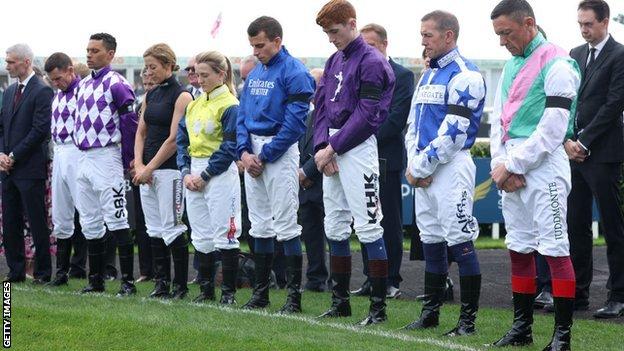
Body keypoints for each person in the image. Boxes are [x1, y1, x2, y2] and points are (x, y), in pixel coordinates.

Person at [489, 0, 580, 349]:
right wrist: (502, 165)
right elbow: (500, 121)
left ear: (529, 23)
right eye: (498, 35)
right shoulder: (511, 64)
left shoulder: (558, 61)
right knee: (519, 248)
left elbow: (554, 127)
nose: (502, 41)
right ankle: (521, 328)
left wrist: (513, 165)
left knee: (555, 249)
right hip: (511, 166)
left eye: (506, 33)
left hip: (544, 167)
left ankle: (562, 337)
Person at [403, 11, 485, 337]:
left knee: (459, 239)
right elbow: (413, 124)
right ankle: (431, 314)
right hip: (423, 170)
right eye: (421, 34)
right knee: (432, 240)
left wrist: (419, 168)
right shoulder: (427, 75)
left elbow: (454, 133)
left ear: (448, 36)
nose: (423, 41)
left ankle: (467, 322)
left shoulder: (466, 75)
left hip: (451, 169)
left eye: (428, 35)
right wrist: (413, 165)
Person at [313, 0, 395, 326]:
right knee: (334, 225)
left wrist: (332, 146)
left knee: (369, 226)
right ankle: (340, 302)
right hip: (332, 148)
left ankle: (378, 309)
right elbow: (320, 107)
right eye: (326, 33)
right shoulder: (334, 59)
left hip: (358, 147)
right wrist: (322, 146)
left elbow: (369, 115)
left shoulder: (373, 62)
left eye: (334, 31)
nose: (331, 38)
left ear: (351, 23)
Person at [237, 16, 314, 313]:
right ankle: (261, 293)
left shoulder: (295, 72)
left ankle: (293, 297)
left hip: (279, 152)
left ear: (277, 41)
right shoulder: (255, 73)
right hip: (253, 151)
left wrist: (265, 156)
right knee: (259, 225)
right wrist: (244, 153)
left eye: (261, 45)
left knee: (286, 224)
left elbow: (295, 124)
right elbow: (242, 115)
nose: (256, 51)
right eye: (253, 46)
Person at [565, 0, 624, 319]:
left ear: (605, 22)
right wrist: (568, 141)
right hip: (574, 155)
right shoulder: (574, 54)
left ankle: (619, 294)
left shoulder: (620, 55)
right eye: (580, 24)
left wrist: (584, 140)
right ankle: (577, 292)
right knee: (575, 224)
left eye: (588, 24)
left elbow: (615, 103)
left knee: (613, 226)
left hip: (604, 153)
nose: (584, 29)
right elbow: (569, 101)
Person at [352, 23, 414, 300]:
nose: (367, 51)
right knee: (366, 219)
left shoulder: (403, 75)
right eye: (363, 46)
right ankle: (371, 277)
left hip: (386, 158)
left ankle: (390, 279)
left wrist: (359, 138)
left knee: (388, 221)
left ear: (385, 44)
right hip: (361, 157)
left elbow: (395, 120)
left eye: (372, 46)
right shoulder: (358, 72)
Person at [74, 33, 138, 296]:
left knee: (117, 218)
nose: (89, 54)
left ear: (110, 54)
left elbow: (130, 123)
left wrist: (129, 160)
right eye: (88, 50)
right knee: (89, 221)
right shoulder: (83, 83)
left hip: (107, 156)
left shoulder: (118, 83)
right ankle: (96, 280)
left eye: (95, 50)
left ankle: (127, 282)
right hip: (84, 158)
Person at [177, 51, 241, 304]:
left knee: (225, 231)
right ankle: (205, 291)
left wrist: (204, 175)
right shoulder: (194, 103)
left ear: (221, 75)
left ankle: (228, 293)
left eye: (204, 75)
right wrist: (185, 172)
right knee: (200, 233)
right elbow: (183, 141)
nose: (199, 79)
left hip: (219, 172)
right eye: (196, 74)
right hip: (194, 171)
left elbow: (230, 147)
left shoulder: (230, 105)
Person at [134, 43, 192, 298]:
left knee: (172, 226)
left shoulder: (183, 95)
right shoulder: (150, 95)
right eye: (146, 67)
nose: (149, 72)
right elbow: (141, 132)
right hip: (147, 171)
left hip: (169, 170)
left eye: (153, 67)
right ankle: (161, 284)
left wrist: (150, 167)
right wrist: (139, 165)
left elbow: (173, 139)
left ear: (169, 65)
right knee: (154, 228)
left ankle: (180, 286)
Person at [0, 43, 54, 284]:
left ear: (26, 62)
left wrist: (14, 155)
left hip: (30, 168)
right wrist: (2, 154)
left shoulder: (42, 90)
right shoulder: (10, 91)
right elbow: (2, 128)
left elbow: (40, 130)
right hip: (8, 169)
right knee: (10, 221)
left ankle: (42, 272)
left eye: (11, 61)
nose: (7, 65)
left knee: (36, 221)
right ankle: (16, 271)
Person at [43, 52, 84, 286]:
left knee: (86, 212)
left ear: (70, 70)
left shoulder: (84, 91)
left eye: (59, 78)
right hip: (59, 152)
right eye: (52, 80)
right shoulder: (58, 95)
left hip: (77, 151)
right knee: (61, 213)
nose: (56, 84)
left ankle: (94, 271)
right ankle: (62, 272)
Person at [298, 68, 329, 292]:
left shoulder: (335, 115)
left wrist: (308, 171)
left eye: (317, 85)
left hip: (325, 181)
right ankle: (315, 278)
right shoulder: (308, 115)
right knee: (311, 234)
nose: (313, 91)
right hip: (306, 186)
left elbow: (330, 148)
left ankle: (337, 280)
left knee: (336, 232)